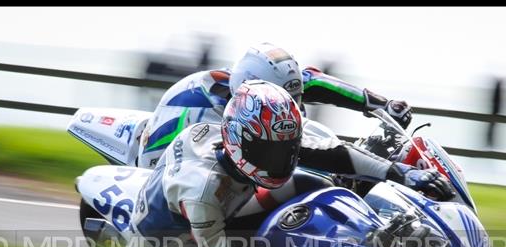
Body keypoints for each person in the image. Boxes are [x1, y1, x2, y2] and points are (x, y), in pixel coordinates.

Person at [131, 80, 452, 247]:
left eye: (288, 147)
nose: (281, 158)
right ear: (240, 141)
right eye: (271, 151)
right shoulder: (203, 192)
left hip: (229, 207)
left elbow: (336, 155)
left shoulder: (259, 139)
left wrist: (401, 173)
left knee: (316, 184)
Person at [137, 42, 413, 169]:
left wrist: (381, 104)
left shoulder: (269, 86)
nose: (290, 106)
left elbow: (315, 80)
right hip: (167, 162)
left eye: (295, 98)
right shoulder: (207, 111)